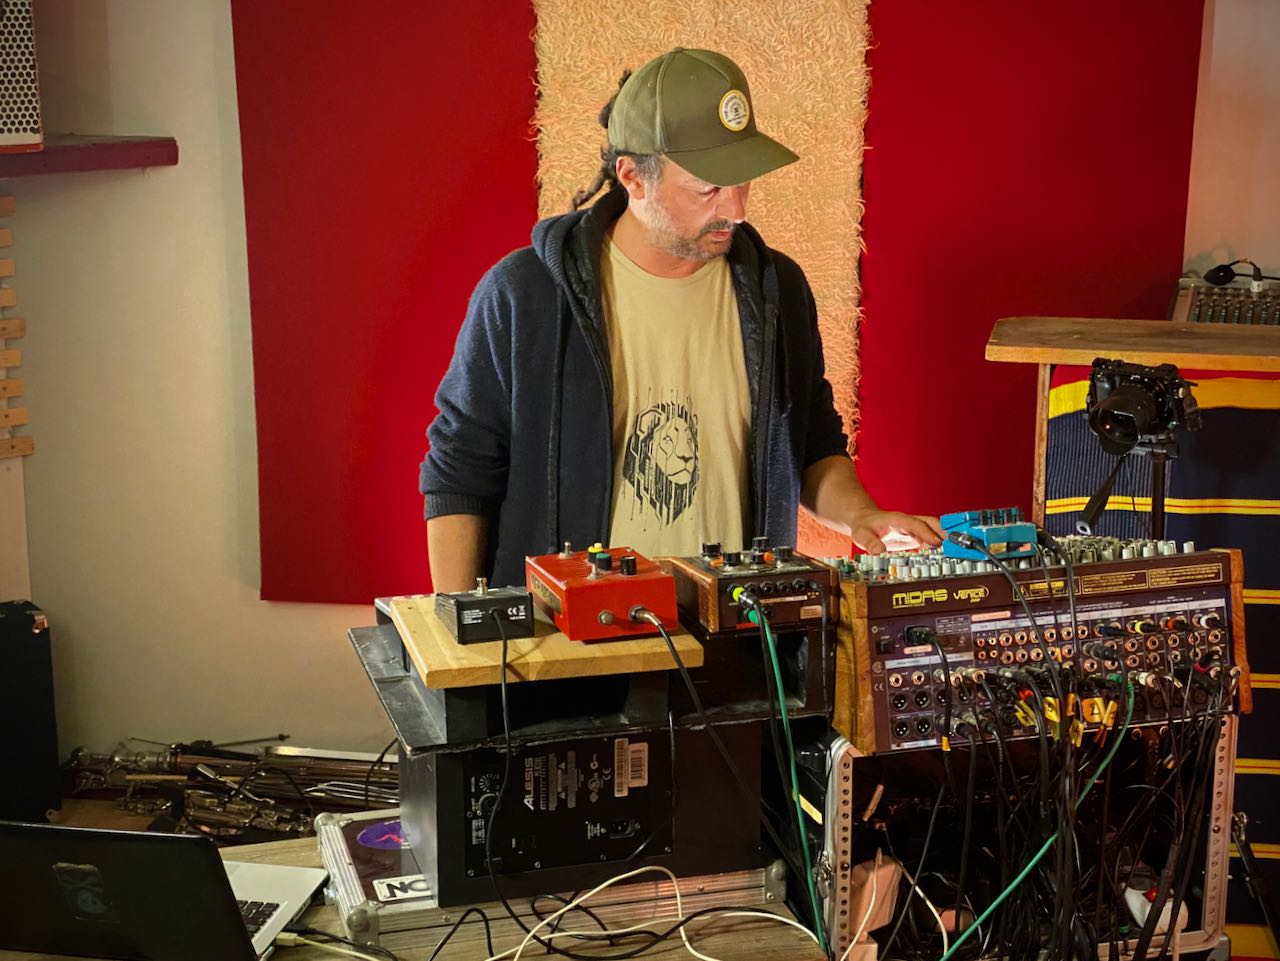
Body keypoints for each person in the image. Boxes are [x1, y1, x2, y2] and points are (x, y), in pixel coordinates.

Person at [421, 47, 941, 592]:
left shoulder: (778, 291)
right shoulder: (525, 294)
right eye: (708, 188)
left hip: (737, 630)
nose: (736, 210)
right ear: (632, 177)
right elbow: (460, 473)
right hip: (564, 638)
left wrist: (861, 517)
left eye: (742, 181)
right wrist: (459, 623)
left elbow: (813, 447)